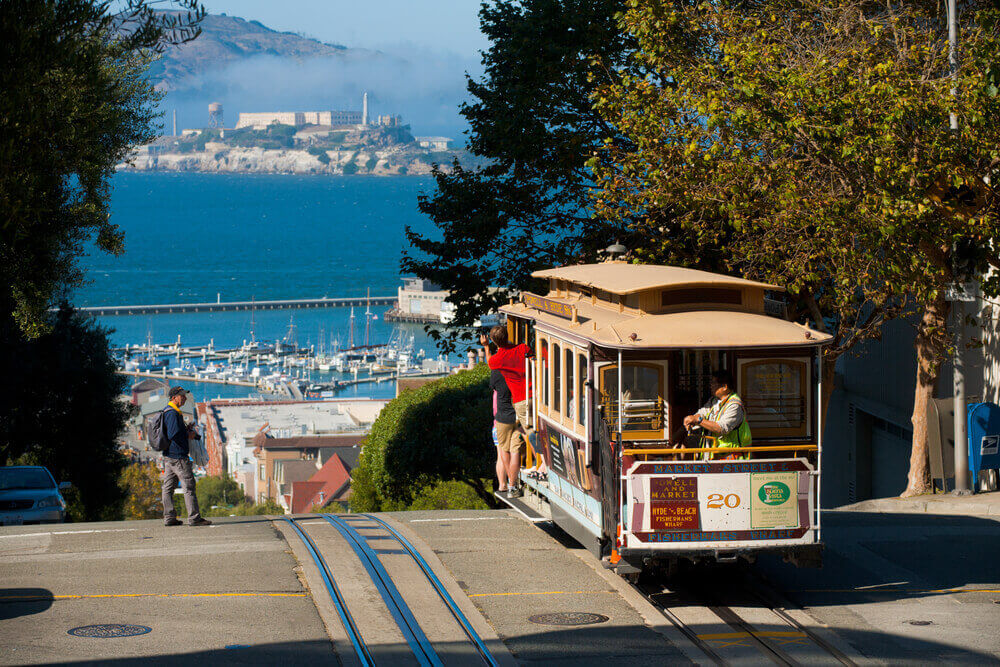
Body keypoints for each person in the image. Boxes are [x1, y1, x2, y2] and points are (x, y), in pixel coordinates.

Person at [481, 325, 535, 491]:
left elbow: (490, 361)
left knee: (503, 451)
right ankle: (512, 483)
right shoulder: (522, 349)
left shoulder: (497, 364)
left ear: (493, 341)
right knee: (518, 447)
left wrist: (485, 346)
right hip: (526, 398)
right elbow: (532, 357)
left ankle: (508, 485)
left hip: (504, 415)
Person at [161, 386, 211, 526]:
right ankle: (194, 518)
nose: (184, 398)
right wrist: (188, 434)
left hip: (169, 456)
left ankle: (169, 517)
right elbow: (173, 434)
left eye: (184, 395)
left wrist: (186, 428)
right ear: (173, 397)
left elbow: (174, 431)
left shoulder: (169, 411)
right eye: (181, 396)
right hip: (178, 456)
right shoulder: (172, 413)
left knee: (168, 487)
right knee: (188, 486)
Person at [681, 370, 751, 460]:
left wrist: (699, 420)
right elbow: (703, 412)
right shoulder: (713, 401)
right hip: (714, 457)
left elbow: (721, 428)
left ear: (724, 387)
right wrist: (693, 418)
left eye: (714, 383)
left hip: (731, 459)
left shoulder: (734, 405)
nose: (711, 385)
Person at [489, 368, 522, 497]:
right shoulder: (516, 378)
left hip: (500, 421)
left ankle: (504, 484)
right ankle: (512, 484)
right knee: (515, 451)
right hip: (517, 418)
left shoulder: (497, 388)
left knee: (502, 453)